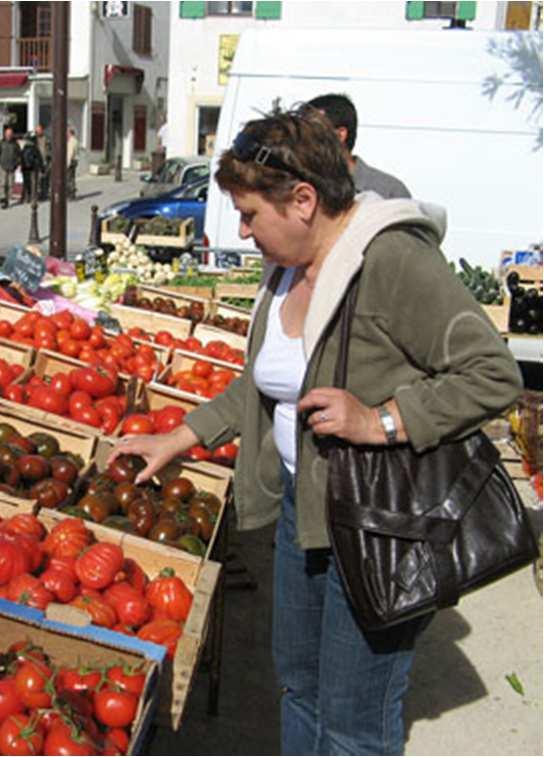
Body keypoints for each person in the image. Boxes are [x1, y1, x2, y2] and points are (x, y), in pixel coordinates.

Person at [108, 106, 522, 755]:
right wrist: (184, 435)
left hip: (379, 521)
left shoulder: (390, 261)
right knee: (299, 687)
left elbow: (491, 371)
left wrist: (383, 419)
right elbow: (268, 380)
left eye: (250, 215)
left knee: (355, 719)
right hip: (303, 515)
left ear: (303, 200)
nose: (243, 232)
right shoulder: (287, 270)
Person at [307, 93, 411, 199]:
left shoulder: (389, 191)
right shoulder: (299, 188)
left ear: (340, 135)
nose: (302, 140)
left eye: (311, 131)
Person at [0, 126, 21, 209]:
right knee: (3, 183)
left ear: (12, 135)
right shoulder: (1, 143)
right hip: (3, 165)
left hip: (12, 166)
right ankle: (2, 199)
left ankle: (7, 199)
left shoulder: (15, 144)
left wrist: (18, 163)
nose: (9, 136)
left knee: (10, 184)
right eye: (7, 134)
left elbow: (19, 154)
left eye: (10, 134)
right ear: (5, 134)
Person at [20, 134, 41, 204]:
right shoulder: (35, 148)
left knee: (26, 183)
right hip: (33, 168)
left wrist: (21, 166)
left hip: (25, 168)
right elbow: (39, 158)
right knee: (34, 183)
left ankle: (27, 198)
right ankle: (33, 198)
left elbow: (21, 158)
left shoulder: (24, 148)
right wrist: (41, 167)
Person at [33, 123, 51, 200]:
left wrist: (50, 157)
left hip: (45, 161)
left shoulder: (47, 139)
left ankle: (44, 194)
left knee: (45, 179)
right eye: (37, 130)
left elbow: (51, 149)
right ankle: (37, 194)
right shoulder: (33, 139)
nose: (38, 132)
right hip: (36, 162)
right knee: (37, 179)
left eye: (40, 130)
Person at [66, 126, 79, 200]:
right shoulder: (76, 140)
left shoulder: (71, 141)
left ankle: (70, 194)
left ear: (70, 133)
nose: (66, 134)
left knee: (69, 178)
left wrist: (67, 163)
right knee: (72, 178)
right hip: (75, 161)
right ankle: (72, 193)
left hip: (71, 161)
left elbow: (70, 153)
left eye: (67, 132)